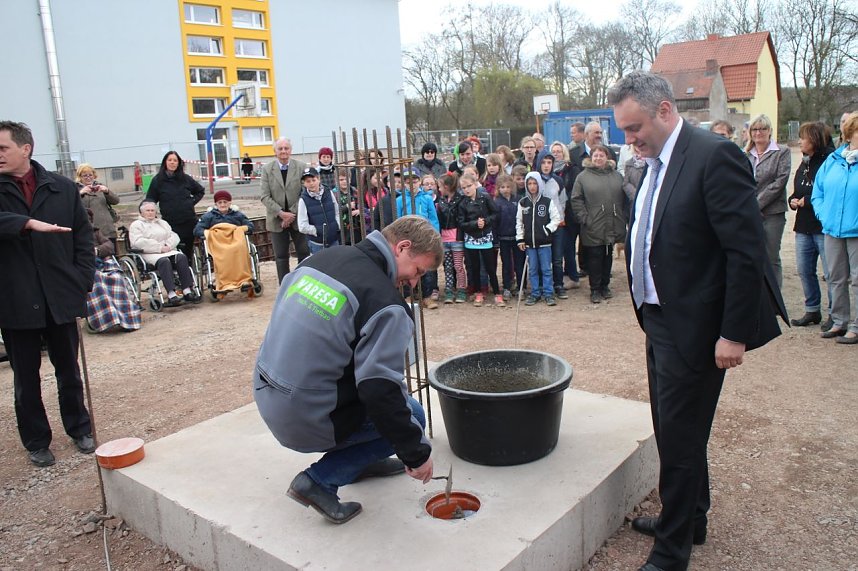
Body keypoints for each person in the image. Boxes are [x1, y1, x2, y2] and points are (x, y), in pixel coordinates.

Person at [609, 71, 784, 571]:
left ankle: (671, 553)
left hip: (698, 326)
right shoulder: (653, 163)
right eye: (624, 130)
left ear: (665, 110)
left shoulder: (714, 156)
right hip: (659, 318)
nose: (630, 139)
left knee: (681, 440)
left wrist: (733, 333)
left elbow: (745, 253)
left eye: (635, 127)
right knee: (673, 430)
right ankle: (691, 519)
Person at [253, 215, 441, 524]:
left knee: (385, 404)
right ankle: (318, 481)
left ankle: (358, 463)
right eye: (418, 271)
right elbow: (380, 391)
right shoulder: (385, 304)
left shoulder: (320, 260)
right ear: (402, 247)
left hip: (268, 395)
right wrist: (416, 453)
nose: (413, 282)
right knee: (413, 416)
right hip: (305, 417)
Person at [0, 120, 97, 467]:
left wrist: (81, 280)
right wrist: (24, 223)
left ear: (25, 148)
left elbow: (83, 238)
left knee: (69, 370)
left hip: (59, 295)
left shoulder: (61, 188)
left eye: (3, 148)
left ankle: (80, 428)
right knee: (26, 378)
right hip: (15, 298)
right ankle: (37, 440)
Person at [811, 113, 858, 345]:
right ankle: (839, 321)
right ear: (849, 134)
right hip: (832, 229)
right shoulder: (833, 160)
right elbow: (818, 191)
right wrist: (824, 215)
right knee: (835, 278)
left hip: (856, 231)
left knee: (857, 280)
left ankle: (856, 327)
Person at [788, 122, 834, 329]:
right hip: (803, 225)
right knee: (805, 270)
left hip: (822, 226)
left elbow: (828, 192)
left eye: (803, 138)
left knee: (831, 273)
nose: (799, 141)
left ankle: (835, 313)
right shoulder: (805, 161)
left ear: (814, 139)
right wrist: (792, 199)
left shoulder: (830, 161)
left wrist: (807, 201)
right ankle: (812, 309)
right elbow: (799, 188)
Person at [569, 145, 627, 303]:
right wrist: (584, 218)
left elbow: (624, 199)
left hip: (612, 222)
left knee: (608, 256)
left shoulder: (616, 176)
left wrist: (622, 216)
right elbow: (576, 199)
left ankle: (605, 286)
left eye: (601, 155)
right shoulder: (583, 177)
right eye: (595, 155)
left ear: (607, 157)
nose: (598, 158)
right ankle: (594, 289)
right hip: (593, 224)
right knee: (595, 257)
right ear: (591, 157)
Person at [746, 113, 791, 289]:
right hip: (749, 213)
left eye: (763, 129)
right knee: (752, 255)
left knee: (771, 257)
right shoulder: (746, 154)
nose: (758, 133)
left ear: (770, 131)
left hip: (772, 213)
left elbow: (779, 182)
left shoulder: (782, 152)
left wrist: (755, 204)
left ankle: (774, 297)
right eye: (755, 129)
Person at [129, 201, 200, 307]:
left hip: (167, 250)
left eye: (152, 210)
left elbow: (174, 236)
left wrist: (168, 245)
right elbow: (138, 242)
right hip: (149, 252)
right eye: (147, 210)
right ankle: (172, 294)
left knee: (181, 257)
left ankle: (186, 290)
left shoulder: (162, 223)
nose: (150, 213)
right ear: (141, 212)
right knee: (164, 261)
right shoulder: (136, 225)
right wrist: (159, 247)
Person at [260, 137, 309, 283]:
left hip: (298, 218)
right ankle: (284, 285)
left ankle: (303, 282)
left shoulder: (301, 167)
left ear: (291, 150)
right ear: (275, 151)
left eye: (286, 148)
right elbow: (264, 196)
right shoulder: (267, 169)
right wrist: (281, 213)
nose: (283, 151)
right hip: (276, 220)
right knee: (281, 256)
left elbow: (305, 193)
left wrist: (291, 214)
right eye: (280, 148)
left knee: (303, 253)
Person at [85, 210, 141, 333]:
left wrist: (97, 250)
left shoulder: (95, 232)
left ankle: (127, 318)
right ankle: (109, 317)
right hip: (86, 267)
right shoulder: (71, 235)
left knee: (117, 278)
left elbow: (109, 245)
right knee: (97, 281)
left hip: (102, 262)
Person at [145, 151, 204, 261]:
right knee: (173, 251)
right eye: (170, 160)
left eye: (175, 160)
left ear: (179, 163)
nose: (172, 162)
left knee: (188, 252)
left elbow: (200, 191)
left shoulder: (186, 179)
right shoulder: (158, 180)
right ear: (165, 162)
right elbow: (150, 199)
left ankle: (189, 269)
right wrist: (151, 213)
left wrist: (191, 202)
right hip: (170, 223)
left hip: (188, 221)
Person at [516, 172, 561, 306]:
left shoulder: (547, 201)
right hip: (529, 244)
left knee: (546, 269)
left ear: (539, 184)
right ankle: (535, 293)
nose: (532, 186)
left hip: (544, 243)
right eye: (529, 183)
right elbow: (519, 222)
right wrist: (520, 238)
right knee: (533, 270)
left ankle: (548, 293)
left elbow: (556, 218)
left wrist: (547, 230)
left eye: (535, 183)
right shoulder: (523, 202)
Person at [457, 173, 502, 307]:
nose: (467, 189)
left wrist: (485, 222)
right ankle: (478, 293)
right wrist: (475, 224)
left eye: (469, 186)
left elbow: (496, 214)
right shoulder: (462, 203)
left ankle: (497, 293)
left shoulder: (485, 197)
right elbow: (461, 223)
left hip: (486, 237)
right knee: (474, 268)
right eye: (464, 187)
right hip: (471, 240)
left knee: (490, 267)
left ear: (475, 184)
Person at [437, 173, 466, 303]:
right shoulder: (441, 201)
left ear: (446, 187)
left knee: (458, 266)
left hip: (456, 238)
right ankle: (449, 290)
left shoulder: (460, 200)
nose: (439, 189)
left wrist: (460, 236)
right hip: (444, 238)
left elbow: (461, 219)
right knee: (447, 266)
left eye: (440, 186)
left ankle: (461, 289)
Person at [297, 167, 341, 254]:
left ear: (318, 179)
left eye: (313, 180)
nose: (311, 183)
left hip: (334, 239)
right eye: (308, 181)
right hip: (317, 243)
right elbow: (302, 225)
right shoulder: (303, 200)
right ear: (304, 183)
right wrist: (316, 230)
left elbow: (337, 211)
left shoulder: (328, 192)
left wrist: (337, 225)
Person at [76, 163, 120, 249]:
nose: (88, 177)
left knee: (112, 253)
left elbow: (116, 201)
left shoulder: (100, 186)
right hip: (91, 232)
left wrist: (107, 191)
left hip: (108, 230)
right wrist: (80, 193)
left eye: (90, 175)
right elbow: (71, 205)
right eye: (85, 175)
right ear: (80, 177)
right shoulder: (75, 189)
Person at [495, 174, 521, 299]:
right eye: (502, 187)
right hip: (503, 238)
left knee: (519, 264)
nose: (505, 189)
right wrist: (496, 239)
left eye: (508, 187)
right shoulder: (497, 202)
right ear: (498, 188)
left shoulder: (518, 200)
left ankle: (521, 286)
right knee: (506, 264)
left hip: (517, 237)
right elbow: (495, 222)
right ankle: (506, 287)